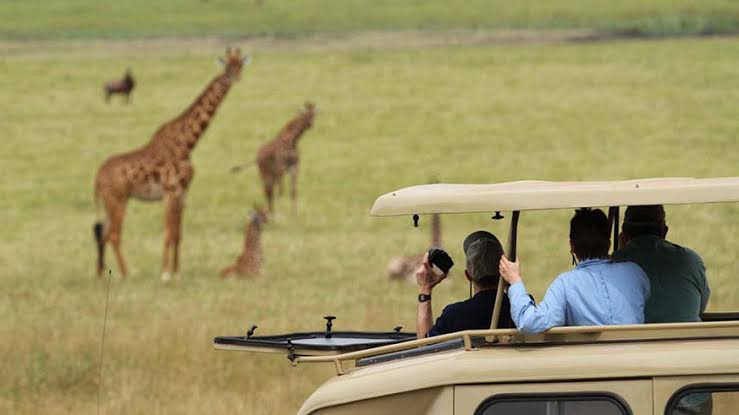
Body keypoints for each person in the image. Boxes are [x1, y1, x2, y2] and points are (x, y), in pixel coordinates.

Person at [499, 208, 650, 334]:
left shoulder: (565, 283)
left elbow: (530, 323)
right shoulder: (635, 273)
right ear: (609, 243)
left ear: (572, 245)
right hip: (637, 359)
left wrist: (515, 281)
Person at [613, 205, 710, 323]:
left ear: (624, 234)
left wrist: (620, 252)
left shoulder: (611, 265)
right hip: (686, 340)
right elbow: (700, 307)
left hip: (632, 341)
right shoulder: (692, 260)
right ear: (664, 231)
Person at [415, 230, 515, 339]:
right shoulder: (520, 309)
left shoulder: (455, 315)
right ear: (505, 273)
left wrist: (425, 289)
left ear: (468, 275)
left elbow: (424, 347)